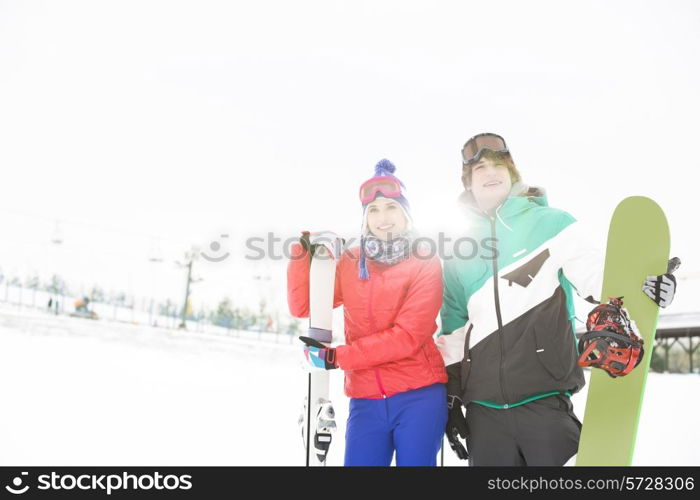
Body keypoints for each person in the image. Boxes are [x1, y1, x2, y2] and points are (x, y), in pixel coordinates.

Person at [438, 133, 678, 466]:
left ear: (512, 172)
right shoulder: (458, 251)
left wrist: (645, 285)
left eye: (498, 165)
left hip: (545, 400)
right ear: (468, 183)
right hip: (483, 414)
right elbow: (452, 327)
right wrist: (451, 397)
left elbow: (601, 277)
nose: (490, 173)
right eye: (479, 168)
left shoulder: (552, 224)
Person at [287, 159, 448, 466]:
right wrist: (301, 255)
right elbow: (305, 306)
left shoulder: (425, 261)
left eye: (390, 208)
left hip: (419, 397)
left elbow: (407, 337)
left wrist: (338, 357)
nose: (382, 218)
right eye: (373, 211)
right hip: (365, 400)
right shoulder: (351, 260)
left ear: (406, 214)